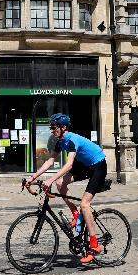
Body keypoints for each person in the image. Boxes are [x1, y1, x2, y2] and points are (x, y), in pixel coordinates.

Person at [26, 113, 108, 264]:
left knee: (85, 204)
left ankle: (94, 245)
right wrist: (33, 177)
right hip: (84, 165)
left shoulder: (71, 140)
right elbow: (49, 162)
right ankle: (75, 213)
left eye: (54, 127)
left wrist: (50, 179)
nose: (52, 130)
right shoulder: (59, 141)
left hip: (98, 166)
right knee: (59, 185)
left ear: (63, 128)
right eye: (51, 127)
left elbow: (69, 164)